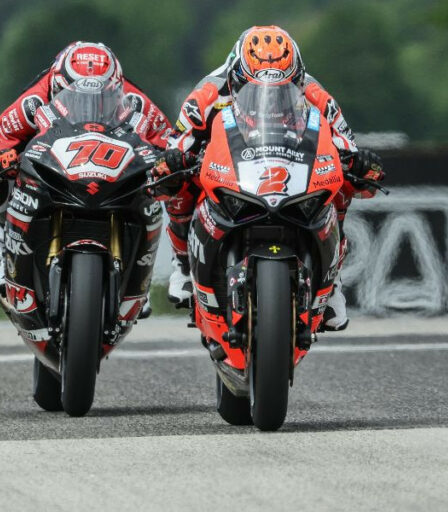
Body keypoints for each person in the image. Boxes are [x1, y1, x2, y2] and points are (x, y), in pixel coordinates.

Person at [155, 26, 385, 331]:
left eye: (283, 90)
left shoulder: (316, 93)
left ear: (298, 78)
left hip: (289, 164)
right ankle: (182, 264)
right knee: (178, 179)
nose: (272, 98)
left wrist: (359, 162)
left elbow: (345, 141)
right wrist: (173, 159)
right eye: (257, 88)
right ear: (236, 77)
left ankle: (332, 284)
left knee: (341, 180)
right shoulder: (208, 92)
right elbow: (178, 141)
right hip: (228, 164)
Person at [0, 41, 172, 315]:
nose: (89, 107)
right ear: (56, 87)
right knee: (1, 178)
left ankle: (138, 278)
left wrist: (167, 165)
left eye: (101, 99)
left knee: (163, 183)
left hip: (111, 169)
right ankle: (4, 253)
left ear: (117, 89)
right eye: (78, 99)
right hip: (52, 163)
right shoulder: (31, 102)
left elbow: (174, 149)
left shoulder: (137, 102)